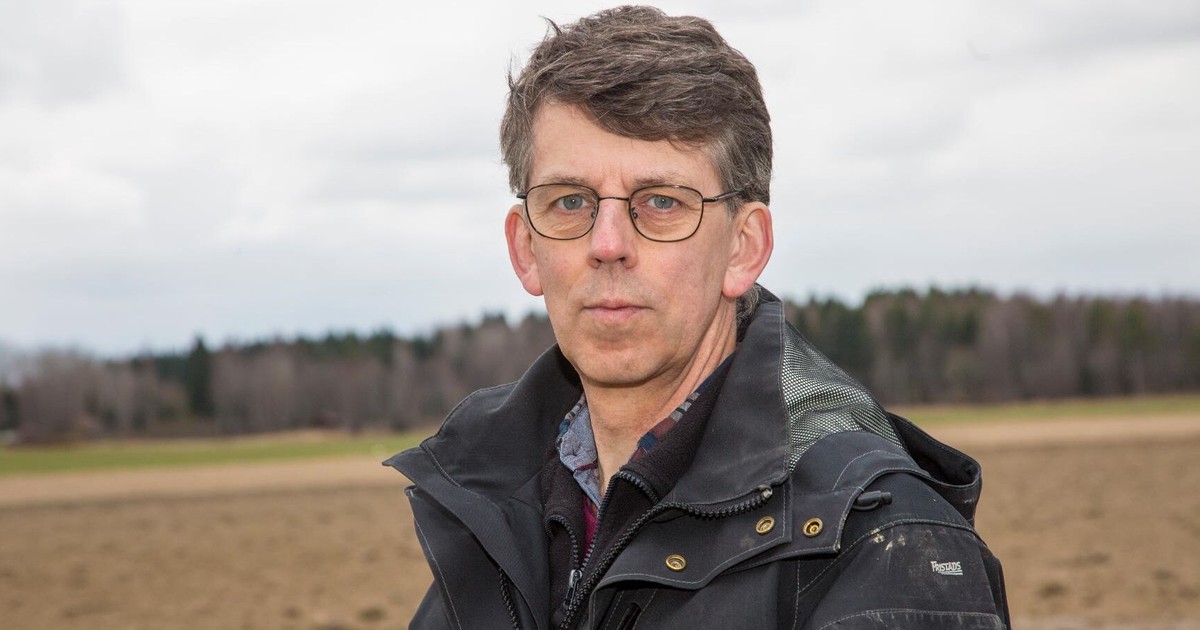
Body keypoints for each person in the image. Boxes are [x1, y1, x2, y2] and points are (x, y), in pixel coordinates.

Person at [386, 6, 1010, 629]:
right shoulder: (487, 518)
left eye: (661, 202)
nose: (607, 244)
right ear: (526, 249)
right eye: (570, 201)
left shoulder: (880, 547)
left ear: (744, 248)